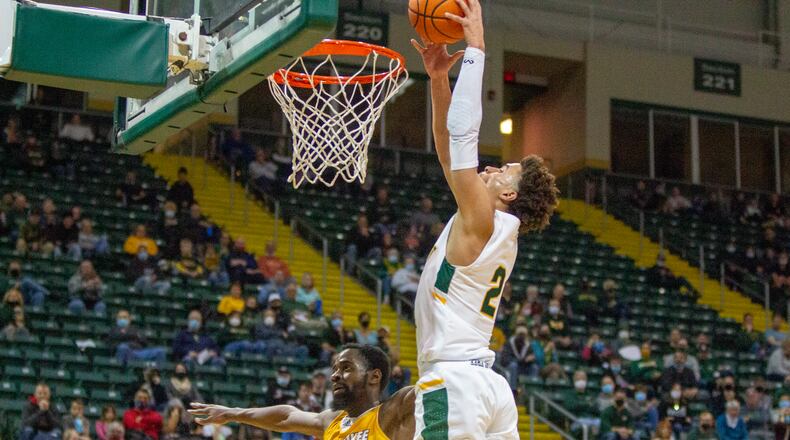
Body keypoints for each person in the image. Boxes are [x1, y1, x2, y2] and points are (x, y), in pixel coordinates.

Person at [188, 344, 416, 439]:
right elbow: (286, 416)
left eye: (346, 368)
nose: (335, 375)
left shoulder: (393, 412)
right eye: (334, 368)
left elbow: (440, 381)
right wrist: (231, 413)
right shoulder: (332, 421)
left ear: (374, 376)